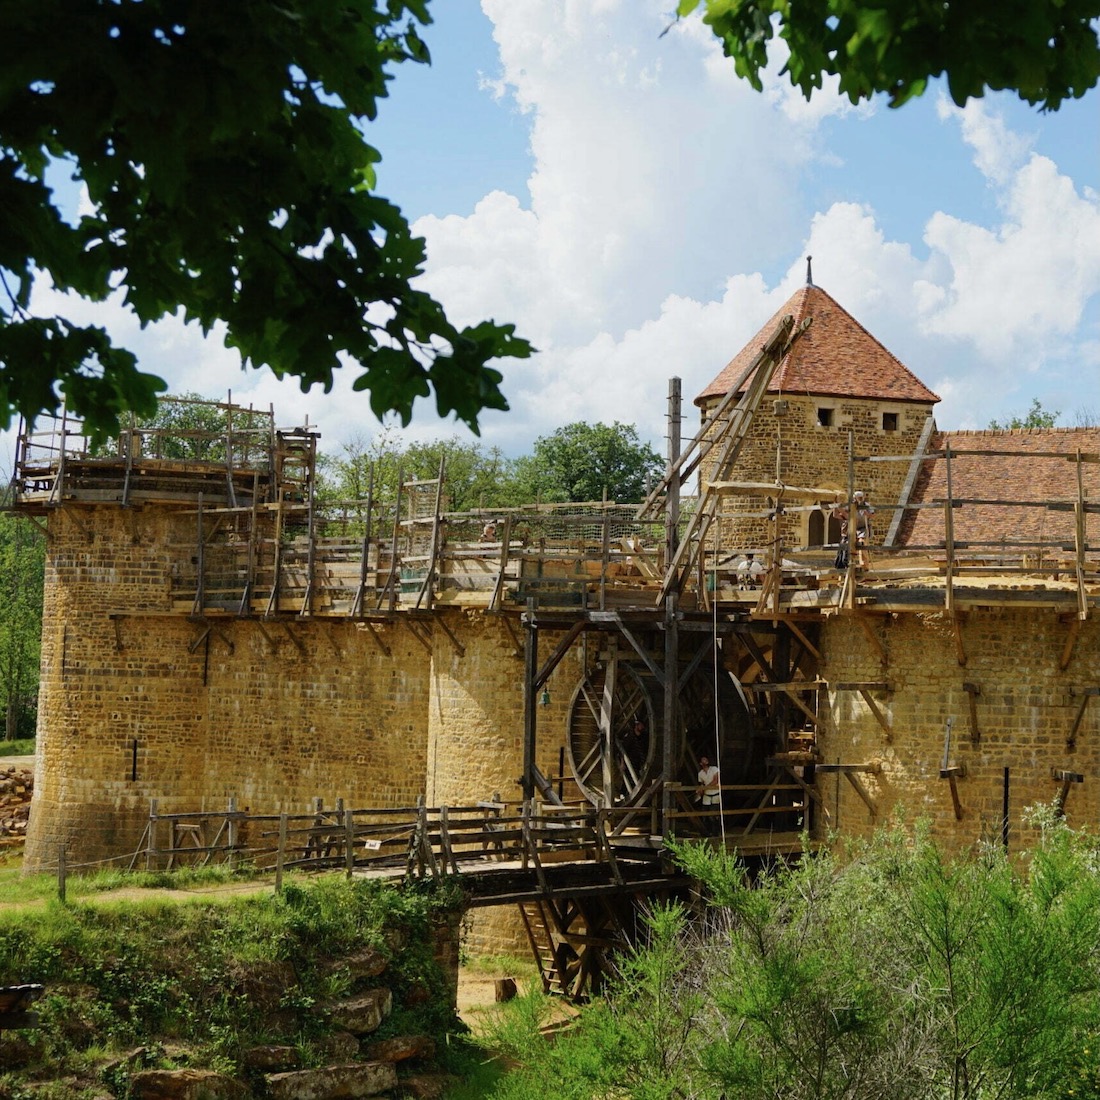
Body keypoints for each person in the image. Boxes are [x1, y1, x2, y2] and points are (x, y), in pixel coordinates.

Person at [832, 491, 875, 568]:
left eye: (860, 498)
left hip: (863, 528)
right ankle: (849, 565)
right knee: (849, 546)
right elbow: (838, 515)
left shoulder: (866, 506)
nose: (859, 500)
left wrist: (868, 514)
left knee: (862, 544)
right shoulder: (850, 506)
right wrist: (835, 505)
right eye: (857, 498)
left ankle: (864, 566)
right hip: (852, 529)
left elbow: (873, 515)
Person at [696, 755, 721, 834]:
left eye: (706, 759)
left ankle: (716, 832)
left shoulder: (714, 769)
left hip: (715, 794)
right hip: (706, 795)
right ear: (700, 763)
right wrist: (700, 791)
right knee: (705, 815)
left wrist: (705, 788)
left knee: (713, 816)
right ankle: (707, 832)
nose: (705, 760)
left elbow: (715, 781)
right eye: (703, 759)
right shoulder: (700, 774)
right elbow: (702, 784)